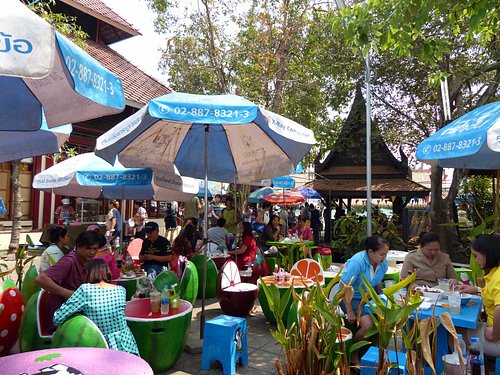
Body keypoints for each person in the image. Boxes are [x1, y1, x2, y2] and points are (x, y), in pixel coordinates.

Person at [53, 259, 139, 355]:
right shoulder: (121, 290)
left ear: (88, 273)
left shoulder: (85, 289)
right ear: (107, 272)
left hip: (98, 346)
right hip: (126, 344)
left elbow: (58, 317)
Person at [35, 231, 101, 332]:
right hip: (62, 318)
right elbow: (41, 279)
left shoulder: (89, 263)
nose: (92, 252)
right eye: (88, 248)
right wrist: (66, 293)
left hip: (79, 315)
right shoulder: (69, 261)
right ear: (78, 246)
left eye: (95, 249)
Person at [341, 235, 390, 364]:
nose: (384, 257)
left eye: (386, 254)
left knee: (386, 321)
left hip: (370, 297)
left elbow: (377, 281)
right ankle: (354, 354)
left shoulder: (383, 263)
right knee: (368, 325)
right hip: (352, 298)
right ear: (370, 252)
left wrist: (382, 298)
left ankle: (373, 354)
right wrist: (350, 311)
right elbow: (344, 286)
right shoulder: (357, 262)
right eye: (381, 254)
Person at [458, 234, 500, 357]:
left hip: (497, 338)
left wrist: (494, 334)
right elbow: (493, 294)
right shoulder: (495, 272)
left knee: (454, 333)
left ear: (487, 253)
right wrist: (476, 289)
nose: (475, 260)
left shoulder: (498, 277)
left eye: (476, 256)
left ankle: (467, 369)